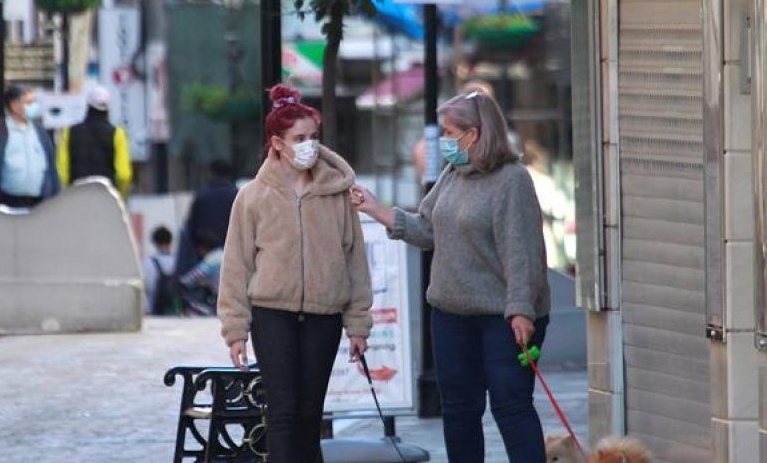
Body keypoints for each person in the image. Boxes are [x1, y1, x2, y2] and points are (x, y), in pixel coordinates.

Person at [353, 89, 551, 463]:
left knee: (510, 406)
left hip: (504, 317)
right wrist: (375, 209)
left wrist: (521, 309)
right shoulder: (453, 175)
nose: (443, 141)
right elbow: (428, 230)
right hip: (451, 314)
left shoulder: (513, 181)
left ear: (473, 134)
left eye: (448, 132)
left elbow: (523, 252)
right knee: (459, 410)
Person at [217, 84, 373, 463]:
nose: (309, 145)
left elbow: (354, 260)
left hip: (325, 315)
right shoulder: (252, 197)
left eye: (314, 137)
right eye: (299, 138)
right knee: (283, 413)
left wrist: (358, 324)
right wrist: (235, 329)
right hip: (272, 315)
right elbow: (236, 264)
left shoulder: (338, 195)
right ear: (277, 143)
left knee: (310, 414)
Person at [0, 84, 60, 209]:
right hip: (6, 204)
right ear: (14, 106)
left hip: (39, 205)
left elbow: (51, 168)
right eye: (29, 103)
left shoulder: (40, 133)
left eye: (33, 102)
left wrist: (55, 199)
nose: (34, 106)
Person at [56, 85, 132, 196]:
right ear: (107, 108)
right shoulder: (117, 134)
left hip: (76, 196)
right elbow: (123, 174)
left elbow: (62, 172)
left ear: (88, 106)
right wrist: (120, 194)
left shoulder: (69, 132)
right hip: (106, 197)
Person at [175, 159, 239, 277]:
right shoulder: (237, 195)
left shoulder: (201, 196)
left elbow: (190, 229)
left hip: (205, 257)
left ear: (211, 173)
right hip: (233, 257)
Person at [179, 230, 223, 317]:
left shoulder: (212, 260)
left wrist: (180, 282)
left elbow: (193, 277)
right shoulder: (222, 253)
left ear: (202, 248)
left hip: (219, 298)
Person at [142, 226, 177, 315]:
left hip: (155, 312)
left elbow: (146, 287)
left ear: (154, 242)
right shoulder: (179, 261)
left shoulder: (148, 262)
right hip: (177, 312)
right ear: (171, 241)